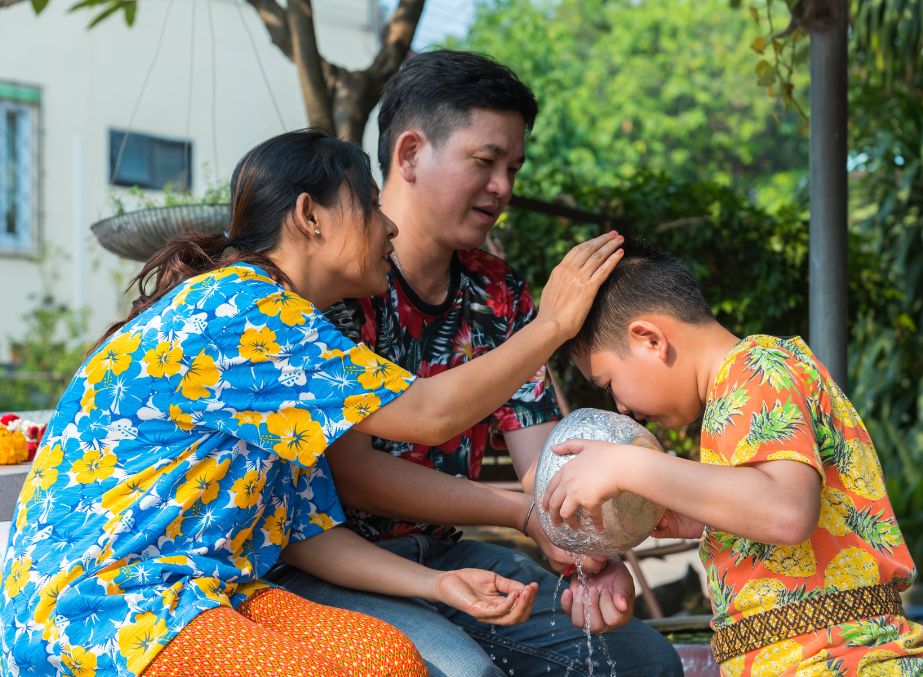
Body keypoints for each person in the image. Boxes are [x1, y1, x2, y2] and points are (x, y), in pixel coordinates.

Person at [0, 129, 626, 676]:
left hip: (203, 593)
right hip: (104, 608)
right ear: (310, 215)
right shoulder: (241, 308)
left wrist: (439, 583)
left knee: (387, 661)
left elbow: (307, 534)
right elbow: (431, 413)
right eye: (372, 208)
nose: (391, 227)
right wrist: (551, 325)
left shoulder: (290, 329)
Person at [267, 50, 683, 677]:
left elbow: (549, 471)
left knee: (644, 661)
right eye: (485, 162)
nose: (504, 188)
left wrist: (586, 548)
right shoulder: (333, 287)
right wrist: (524, 513)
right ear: (408, 154)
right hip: (323, 566)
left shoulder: (499, 293)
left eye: (513, 167)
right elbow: (355, 473)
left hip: (445, 556)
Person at [543, 240, 923, 674]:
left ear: (649, 340)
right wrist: (705, 521)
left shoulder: (756, 367)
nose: (621, 407)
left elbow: (786, 510)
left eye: (608, 382)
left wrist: (627, 465)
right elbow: (778, 517)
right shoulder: (735, 398)